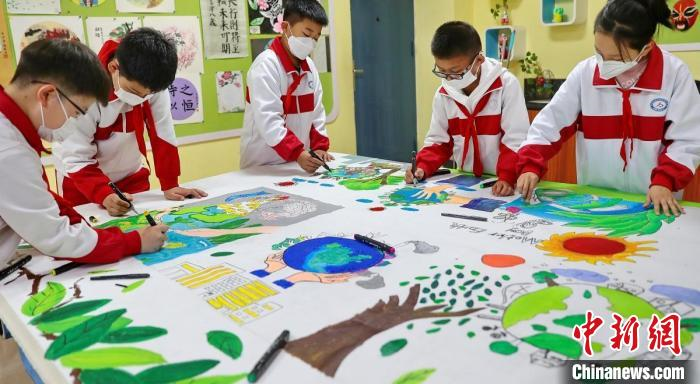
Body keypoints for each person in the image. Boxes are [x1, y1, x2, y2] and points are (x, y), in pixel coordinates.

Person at [516, 0, 700, 216]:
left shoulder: (674, 74)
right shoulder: (585, 73)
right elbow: (550, 123)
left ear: (646, 48)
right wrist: (530, 165)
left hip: (655, 201)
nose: (603, 64)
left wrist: (664, 181)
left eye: (615, 58)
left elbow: (687, 139)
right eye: (598, 52)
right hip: (597, 200)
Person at [0, 38, 168, 265]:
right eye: (77, 112)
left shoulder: (10, 130)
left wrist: (80, 224)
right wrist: (133, 241)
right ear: (48, 95)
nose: (73, 121)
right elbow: (55, 237)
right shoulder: (9, 151)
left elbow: (39, 198)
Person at [52, 28, 206, 217]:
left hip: (131, 174)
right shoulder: (81, 92)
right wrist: (103, 194)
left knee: (144, 230)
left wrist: (170, 183)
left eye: (148, 94)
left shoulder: (151, 83)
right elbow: (76, 158)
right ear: (113, 68)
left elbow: (163, 133)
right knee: (90, 235)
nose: (143, 98)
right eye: (135, 91)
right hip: (81, 182)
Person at [406, 21, 529, 197]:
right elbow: (438, 141)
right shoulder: (444, 93)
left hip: (504, 182)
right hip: (467, 182)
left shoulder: (506, 85)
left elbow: (515, 139)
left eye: (456, 71)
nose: (449, 78)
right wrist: (422, 167)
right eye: (442, 71)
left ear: (478, 60)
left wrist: (508, 177)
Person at [240, 0, 332, 173]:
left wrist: (320, 146)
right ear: (285, 27)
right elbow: (269, 121)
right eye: (306, 33)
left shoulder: (310, 67)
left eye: (316, 38)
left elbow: (317, 112)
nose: (310, 42)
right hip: (262, 166)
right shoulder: (265, 66)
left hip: (297, 164)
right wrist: (297, 152)